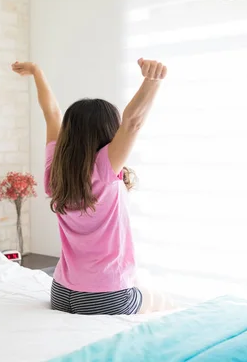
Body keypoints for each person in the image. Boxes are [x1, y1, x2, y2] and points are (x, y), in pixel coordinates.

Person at [12, 58, 167, 315]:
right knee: (161, 300)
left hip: (61, 292)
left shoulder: (55, 170)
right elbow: (132, 123)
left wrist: (37, 72)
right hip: (106, 295)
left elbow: (51, 113)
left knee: (141, 284)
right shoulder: (106, 167)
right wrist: (152, 81)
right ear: (109, 132)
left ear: (69, 132)